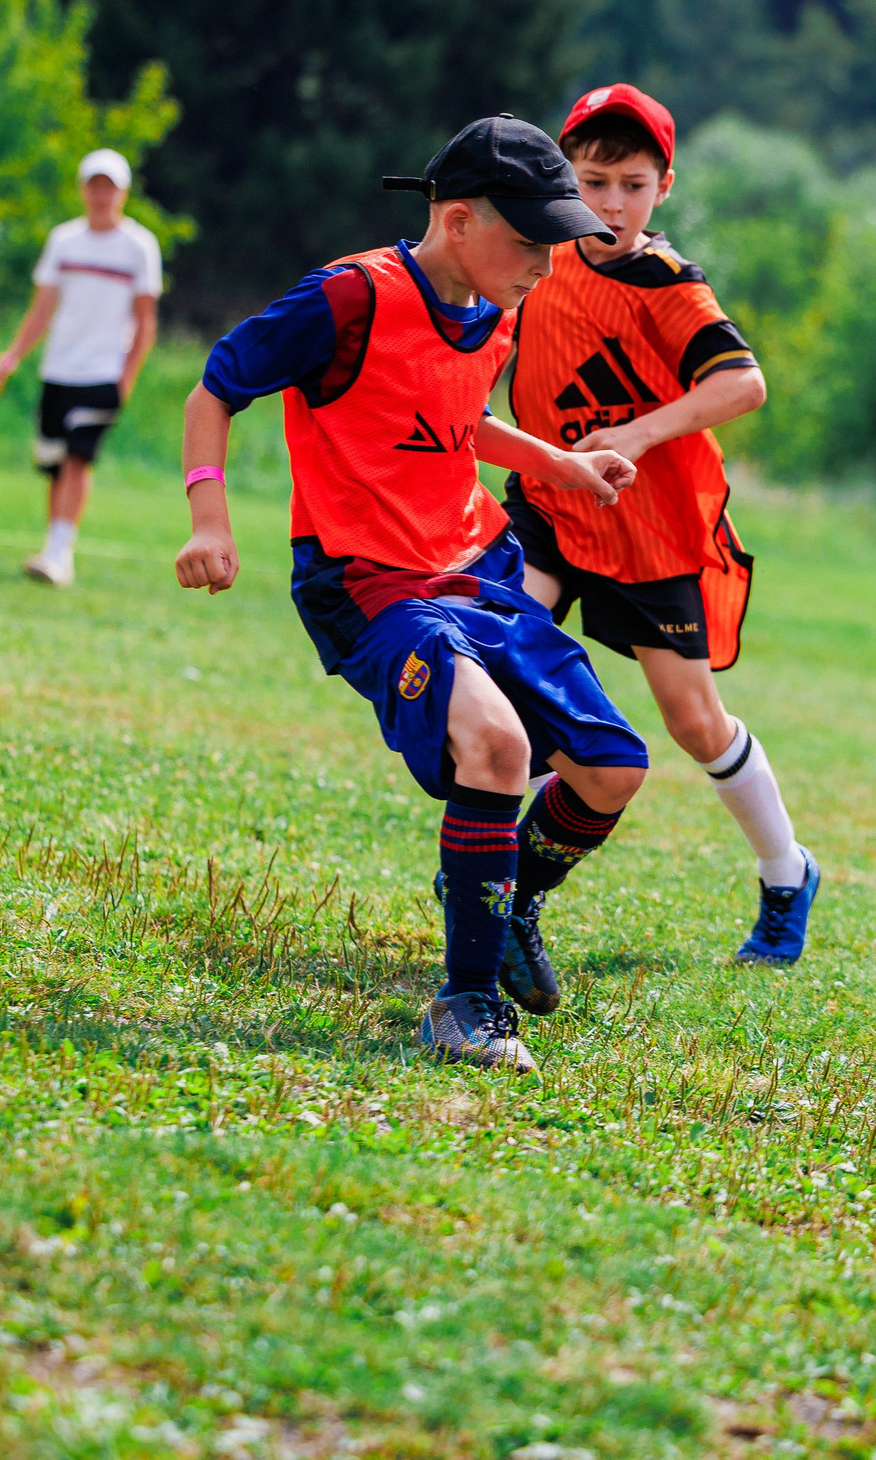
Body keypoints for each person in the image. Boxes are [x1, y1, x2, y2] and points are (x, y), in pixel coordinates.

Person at [173, 115, 651, 1073]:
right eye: (529, 243)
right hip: (367, 576)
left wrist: (558, 461)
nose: (545, 265)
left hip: (478, 564)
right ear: (458, 217)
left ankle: (501, 898)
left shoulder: (493, 304)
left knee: (611, 769)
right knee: (499, 745)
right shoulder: (349, 298)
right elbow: (215, 388)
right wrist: (210, 520)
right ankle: (466, 1002)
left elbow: (456, 416)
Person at [503, 83, 818, 971]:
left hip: (650, 530)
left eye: (632, 185)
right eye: (594, 178)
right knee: (495, 654)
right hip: (552, 502)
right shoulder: (538, 253)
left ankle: (787, 871)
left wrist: (636, 433)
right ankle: (497, 878)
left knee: (693, 720)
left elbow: (744, 385)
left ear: (663, 189)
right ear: (565, 173)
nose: (610, 202)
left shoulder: (667, 284)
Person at [0, 149, 166, 588]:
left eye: (110, 186)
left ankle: (60, 555)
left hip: (103, 371)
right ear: (82, 190)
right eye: (94, 185)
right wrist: (13, 354)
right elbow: (43, 307)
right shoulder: (64, 241)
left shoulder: (139, 246)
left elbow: (145, 320)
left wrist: (127, 378)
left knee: (78, 458)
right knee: (53, 463)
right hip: (58, 369)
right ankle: (55, 546)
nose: (101, 195)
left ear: (123, 193)